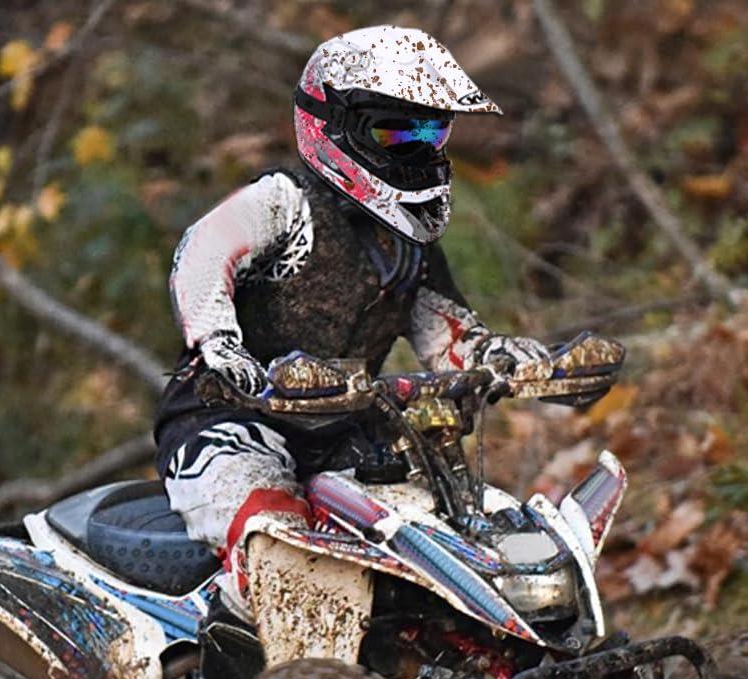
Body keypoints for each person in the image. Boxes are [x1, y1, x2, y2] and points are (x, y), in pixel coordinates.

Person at [154, 25, 550, 620]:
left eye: (430, 130)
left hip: (351, 433)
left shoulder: (409, 245)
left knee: (463, 537)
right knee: (284, 552)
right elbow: (207, 250)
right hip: (227, 422)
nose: (416, 149)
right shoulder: (283, 203)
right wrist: (219, 343)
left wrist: (506, 362)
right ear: (335, 126)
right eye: (395, 131)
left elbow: (448, 336)